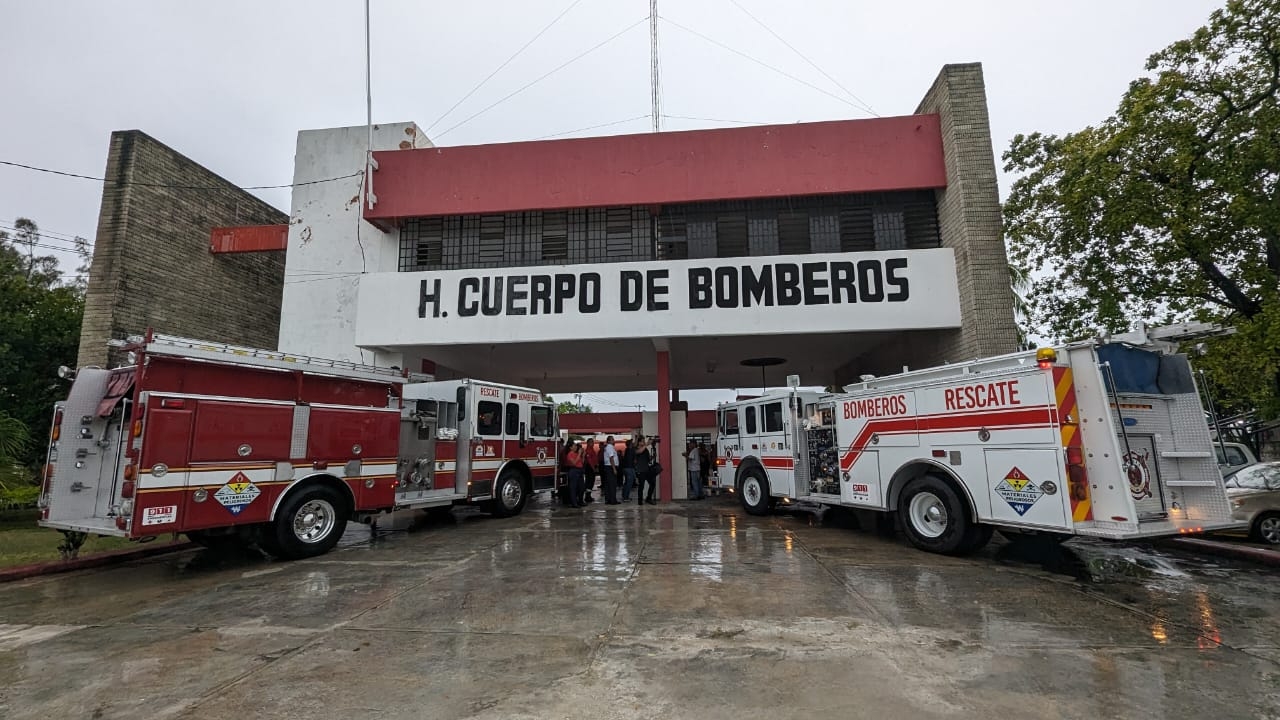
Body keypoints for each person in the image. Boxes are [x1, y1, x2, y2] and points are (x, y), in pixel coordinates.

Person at [634, 438, 654, 506]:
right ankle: (640, 501)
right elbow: (639, 452)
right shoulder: (636, 449)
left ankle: (648, 498)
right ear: (639, 443)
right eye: (642, 441)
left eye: (644, 441)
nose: (644, 442)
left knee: (652, 483)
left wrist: (652, 457)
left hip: (647, 469)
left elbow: (648, 459)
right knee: (641, 486)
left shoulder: (645, 450)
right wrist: (647, 444)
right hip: (640, 470)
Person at [565, 442, 585, 508]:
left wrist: (583, 455)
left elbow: (582, 462)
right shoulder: (569, 454)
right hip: (574, 470)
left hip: (580, 470)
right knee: (573, 488)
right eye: (574, 446)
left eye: (576, 446)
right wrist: (579, 454)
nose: (576, 447)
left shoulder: (576, 454)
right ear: (570, 447)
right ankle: (574, 503)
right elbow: (574, 463)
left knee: (581, 487)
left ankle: (580, 501)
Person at [601, 435, 620, 504]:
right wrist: (614, 468)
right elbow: (611, 458)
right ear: (608, 441)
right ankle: (612, 500)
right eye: (612, 440)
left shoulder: (609, 447)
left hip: (608, 467)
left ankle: (608, 499)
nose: (613, 440)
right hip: (610, 467)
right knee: (612, 484)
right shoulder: (609, 447)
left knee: (608, 484)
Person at [620, 438, 637, 503]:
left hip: (626, 468)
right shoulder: (630, 450)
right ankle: (626, 497)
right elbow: (634, 461)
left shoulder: (628, 450)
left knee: (627, 482)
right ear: (630, 444)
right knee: (629, 483)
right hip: (629, 468)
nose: (633, 444)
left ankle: (624, 495)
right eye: (632, 443)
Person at [582, 438, 598, 504]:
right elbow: (589, 460)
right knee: (589, 482)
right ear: (588, 443)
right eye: (591, 442)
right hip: (589, 467)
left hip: (591, 467)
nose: (593, 443)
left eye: (593, 442)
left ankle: (589, 495)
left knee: (591, 482)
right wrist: (593, 468)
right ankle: (587, 496)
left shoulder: (591, 449)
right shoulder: (588, 450)